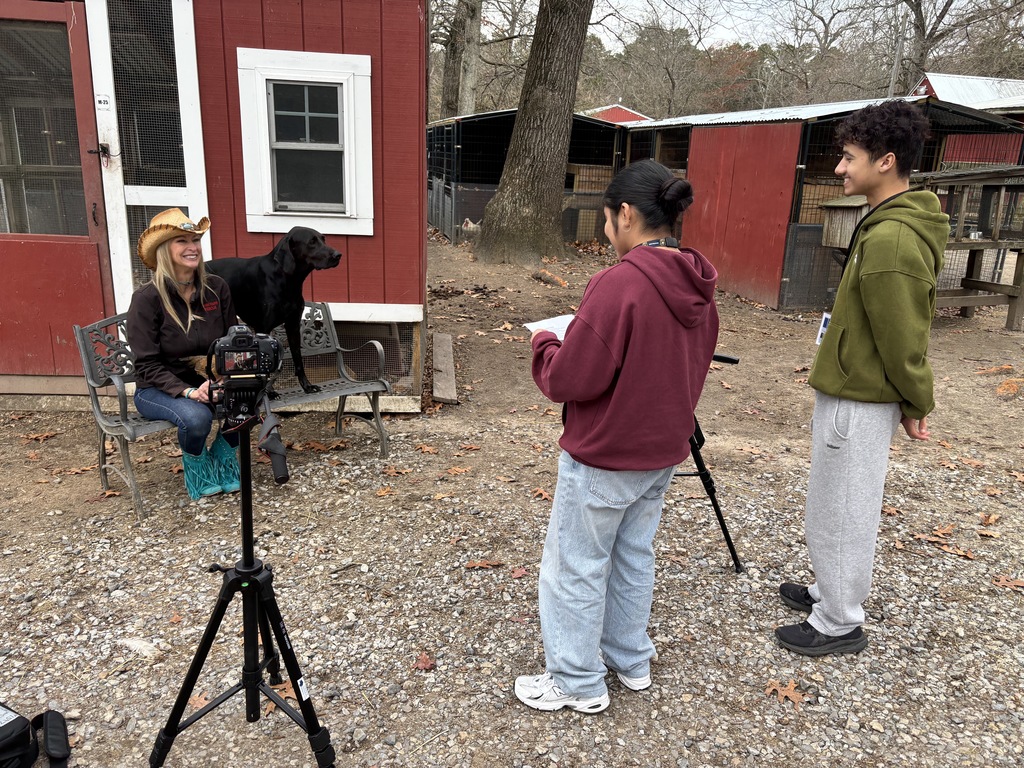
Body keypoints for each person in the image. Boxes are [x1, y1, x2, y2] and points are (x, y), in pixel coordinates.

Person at [514, 160, 719, 713]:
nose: (607, 229)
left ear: (624, 215)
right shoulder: (699, 282)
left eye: (607, 218)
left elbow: (570, 379)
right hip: (661, 452)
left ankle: (576, 681)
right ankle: (629, 659)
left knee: (575, 565)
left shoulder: (618, 283)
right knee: (633, 556)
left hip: (605, 453)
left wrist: (545, 344)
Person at [775, 100, 950, 656]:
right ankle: (831, 590)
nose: (841, 169)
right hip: (851, 385)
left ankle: (839, 621)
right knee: (831, 498)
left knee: (846, 505)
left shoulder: (892, 239)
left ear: (886, 162)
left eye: (849, 158)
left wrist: (915, 400)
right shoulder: (883, 225)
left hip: (863, 395)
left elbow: (905, 335)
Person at [126, 208, 242, 500]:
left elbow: (232, 339)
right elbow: (146, 364)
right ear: (165, 250)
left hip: (210, 378)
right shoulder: (147, 299)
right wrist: (189, 391)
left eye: (195, 240)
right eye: (181, 241)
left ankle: (223, 455)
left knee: (250, 398)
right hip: (159, 387)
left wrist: (225, 378)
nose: (192, 247)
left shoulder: (216, 288)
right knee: (196, 417)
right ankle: (198, 466)